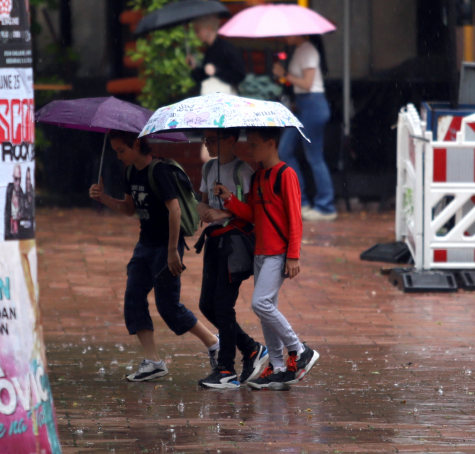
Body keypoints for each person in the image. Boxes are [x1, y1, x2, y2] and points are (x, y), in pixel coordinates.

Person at [88, 130, 220, 382]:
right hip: (144, 245)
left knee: (168, 306)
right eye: (115, 151)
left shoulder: (159, 171)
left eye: (121, 151)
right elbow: (129, 209)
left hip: (166, 247)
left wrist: (172, 251)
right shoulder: (130, 172)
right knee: (133, 297)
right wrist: (103, 198)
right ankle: (153, 361)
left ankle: (214, 343)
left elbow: (175, 210)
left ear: (137, 144)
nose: (118, 156)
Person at [213, 127, 320, 390]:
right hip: (261, 252)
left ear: (271, 144)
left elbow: (295, 217)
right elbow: (254, 215)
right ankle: (278, 367)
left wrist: (293, 255)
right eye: (248, 144)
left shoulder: (286, 174)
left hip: (279, 252)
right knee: (265, 308)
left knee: (260, 303)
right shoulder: (259, 176)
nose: (249, 149)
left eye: (254, 144)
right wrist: (229, 200)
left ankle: (299, 350)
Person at [194, 129, 270, 389]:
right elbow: (201, 203)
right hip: (214, 241)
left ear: (230, 140)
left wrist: (226, 206)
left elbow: (251, 214)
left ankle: (226, 369)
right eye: (205, 139)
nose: (207, 143)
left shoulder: (243, 171)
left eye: (212, 139)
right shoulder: (208, 169)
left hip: (234, 245)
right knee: (207, 305)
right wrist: (206, 211)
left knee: (223, 306)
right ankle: (251, 349)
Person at [273, 35, 337, 221]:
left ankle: (325, 206)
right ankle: (301, 202)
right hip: (302, 106)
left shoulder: (308, 50)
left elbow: (307, 84)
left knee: (314, 156)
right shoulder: (301, 50)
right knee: (285, 150)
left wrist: (284, 75)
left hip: (312, 105)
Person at [188, 15, 246, 96]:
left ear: (208, 28)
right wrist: (194, 67)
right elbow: (204, 77)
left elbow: (239, 74)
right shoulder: (209, 49)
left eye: (198, 31)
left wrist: (217, 71)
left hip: (226, 98)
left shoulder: (226, 48)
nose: (196, 35)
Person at [5, 164, 33, 239]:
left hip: (19, 234)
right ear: (13, 177)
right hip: (9, 234)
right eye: (16, 179)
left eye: (19, 179)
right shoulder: (8, 192)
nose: (17, 182)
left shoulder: (22, 197)